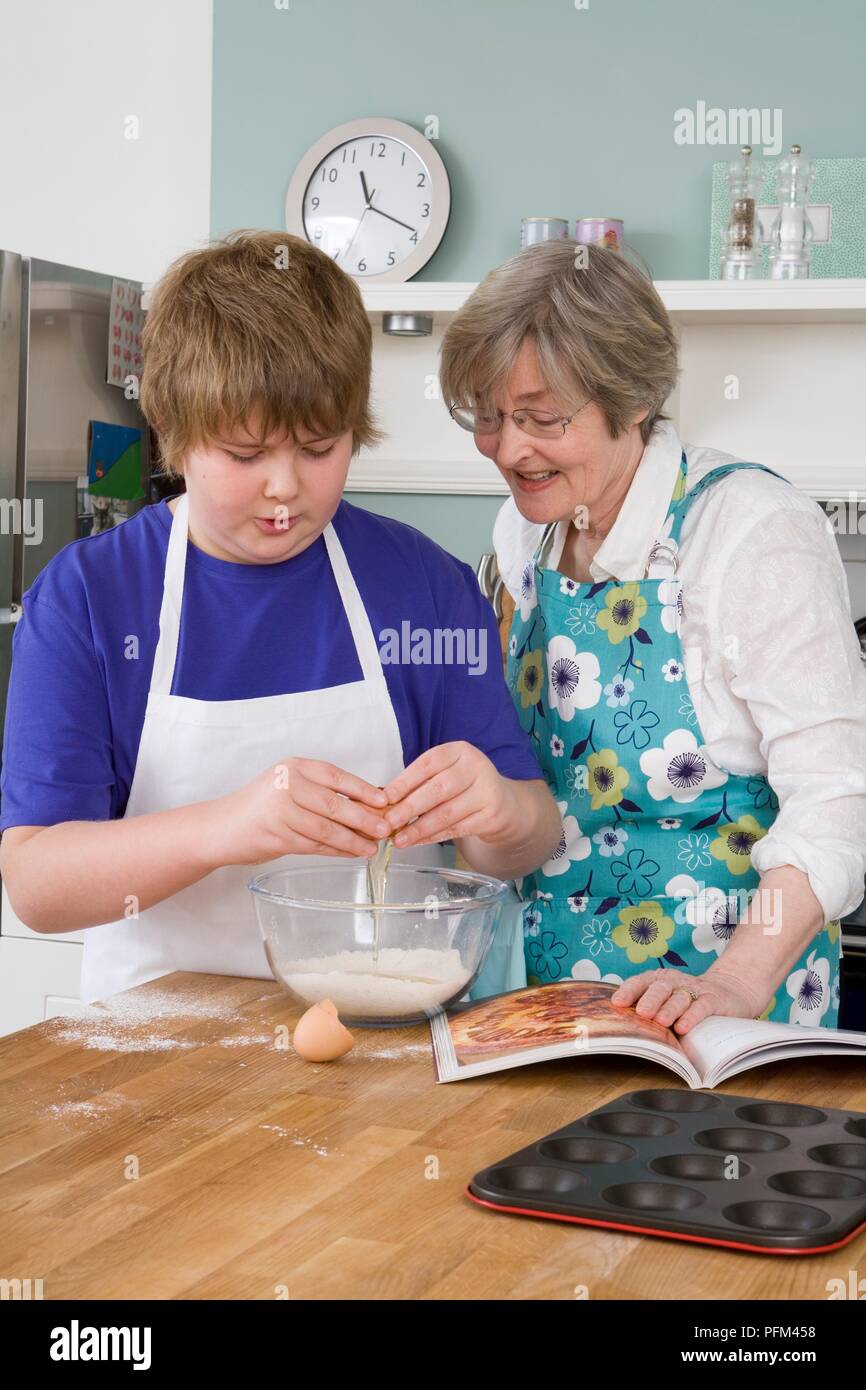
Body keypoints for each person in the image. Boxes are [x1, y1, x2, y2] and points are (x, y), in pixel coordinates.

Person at [0, 230, 560, 1005]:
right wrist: (227, 826)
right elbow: (37, 883)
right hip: (154, 1050)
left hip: (387, 1033)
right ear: (174, 433)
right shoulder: (89, 597)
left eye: (318, 447)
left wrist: (500, 812)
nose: (284, 489)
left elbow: (526, 840)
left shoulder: (424, 587)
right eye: (244, 453)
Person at [439, 239, 866, 1033]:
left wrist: (735, 984)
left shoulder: (751, 532)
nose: (508, 449)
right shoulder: (523, 534)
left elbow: (839, 800)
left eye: (540, 418)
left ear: (633, 399)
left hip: (728, 1016)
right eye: (489, 417)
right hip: (549, 1009)